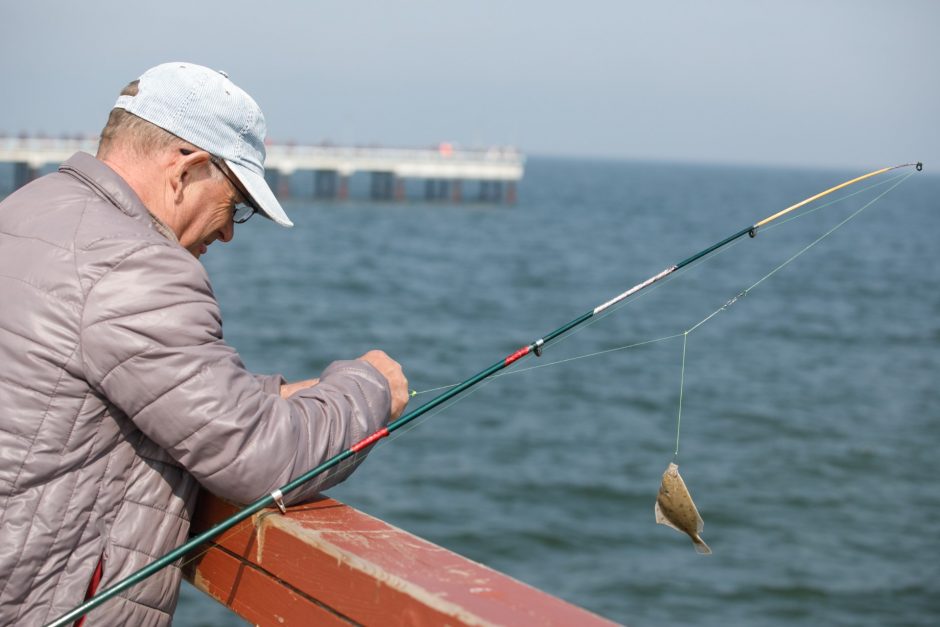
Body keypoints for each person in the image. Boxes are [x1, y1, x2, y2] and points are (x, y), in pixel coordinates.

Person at [0, 62, 409, 626]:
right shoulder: (137, 265)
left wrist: (279, 395)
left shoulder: (30, 210)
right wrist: (367, 388)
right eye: (235, 203)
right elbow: (261, 460)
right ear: (188, 169)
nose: (228, 232)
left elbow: (132, 385)